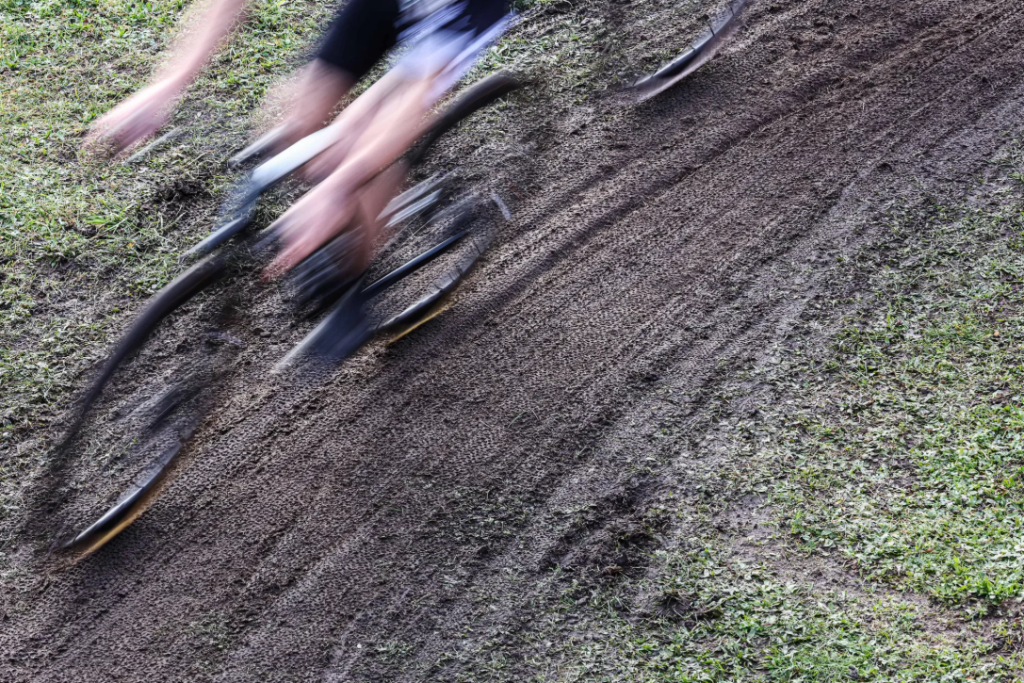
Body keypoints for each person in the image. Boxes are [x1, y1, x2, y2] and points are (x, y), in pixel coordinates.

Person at [86, 0, 512, 278]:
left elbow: (414, 93)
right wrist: (168, 85)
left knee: (352, 148)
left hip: (458, 14)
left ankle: (355, 278)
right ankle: (340, 210)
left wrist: (339, 185)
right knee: (295, 123)